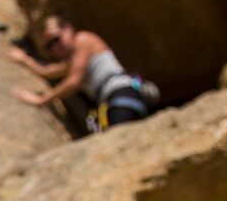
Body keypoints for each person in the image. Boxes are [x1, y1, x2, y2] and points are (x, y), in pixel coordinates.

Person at [9, 14, 155, 130]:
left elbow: (73, 81)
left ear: (68, 28)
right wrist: (25, 59)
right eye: (48, 47)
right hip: (117, 99)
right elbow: (47, 71)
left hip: (121, 94)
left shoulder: (83, 39)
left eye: (56, 39)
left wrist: (41, 99)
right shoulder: (74, 59)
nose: (55, 48)